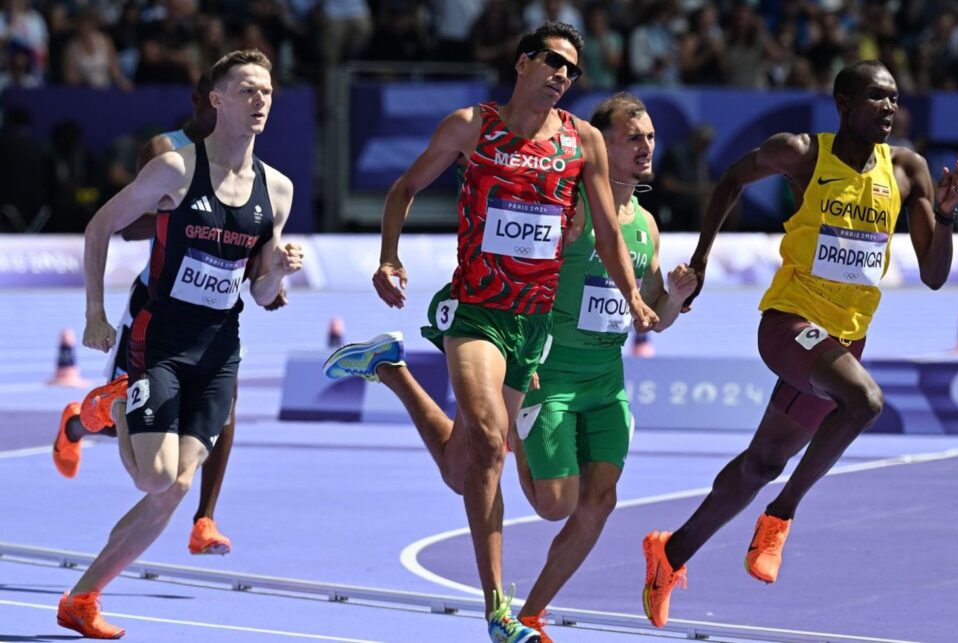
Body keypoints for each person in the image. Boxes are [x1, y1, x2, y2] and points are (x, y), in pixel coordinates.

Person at [324, 22, 657, 643]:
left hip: (533, 326)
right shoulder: (471, 126)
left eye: (573, 71)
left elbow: (609, 233)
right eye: (554, 62)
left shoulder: (581, 140)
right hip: (476, 310)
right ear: (523, 62)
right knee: (488, 437)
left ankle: (391, 370)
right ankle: (498, 610)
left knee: (466, 467)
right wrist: (388, 257)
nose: (563, 76)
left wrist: (635, 296)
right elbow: (403, 188)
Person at [640, 59, 958, 629]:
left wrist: (942, 216)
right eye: (874, 98)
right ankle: (780, 519)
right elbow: (731, 180)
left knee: (763, 461)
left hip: (842, 341)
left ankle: (668, 555)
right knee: (864, 402)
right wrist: (700, 258)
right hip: (790, 325)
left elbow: (935, 275)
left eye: (893, 98)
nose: (889, 108)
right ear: (842, 104)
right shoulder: (803, 153)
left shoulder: (908, 170)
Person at [57, 49, 302, 640]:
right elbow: (99, 226)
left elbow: (264, 294)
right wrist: (94, 313)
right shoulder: (174, 170)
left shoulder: (279, 189)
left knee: (177, 488)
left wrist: (278, 273)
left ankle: (81, 599)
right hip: (159, 342)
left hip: (220, 351)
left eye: (266, 91)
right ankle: (109, 405)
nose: (260, 100)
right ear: (216, 100)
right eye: (246, 90)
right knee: (154, 480)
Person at [507, 92, 695, 641]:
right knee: (554, 506)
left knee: (600, 502)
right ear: (599, 144)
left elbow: (652, 320)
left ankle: (531, 615)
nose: (645, 147)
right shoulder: (569, 204)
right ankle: (510, 428)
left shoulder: (647, 224)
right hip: (552, 372)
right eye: (632, 137)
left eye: (651, 138)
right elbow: (517, 274)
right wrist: (518, 360)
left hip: (607, 379)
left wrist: (677, 297)